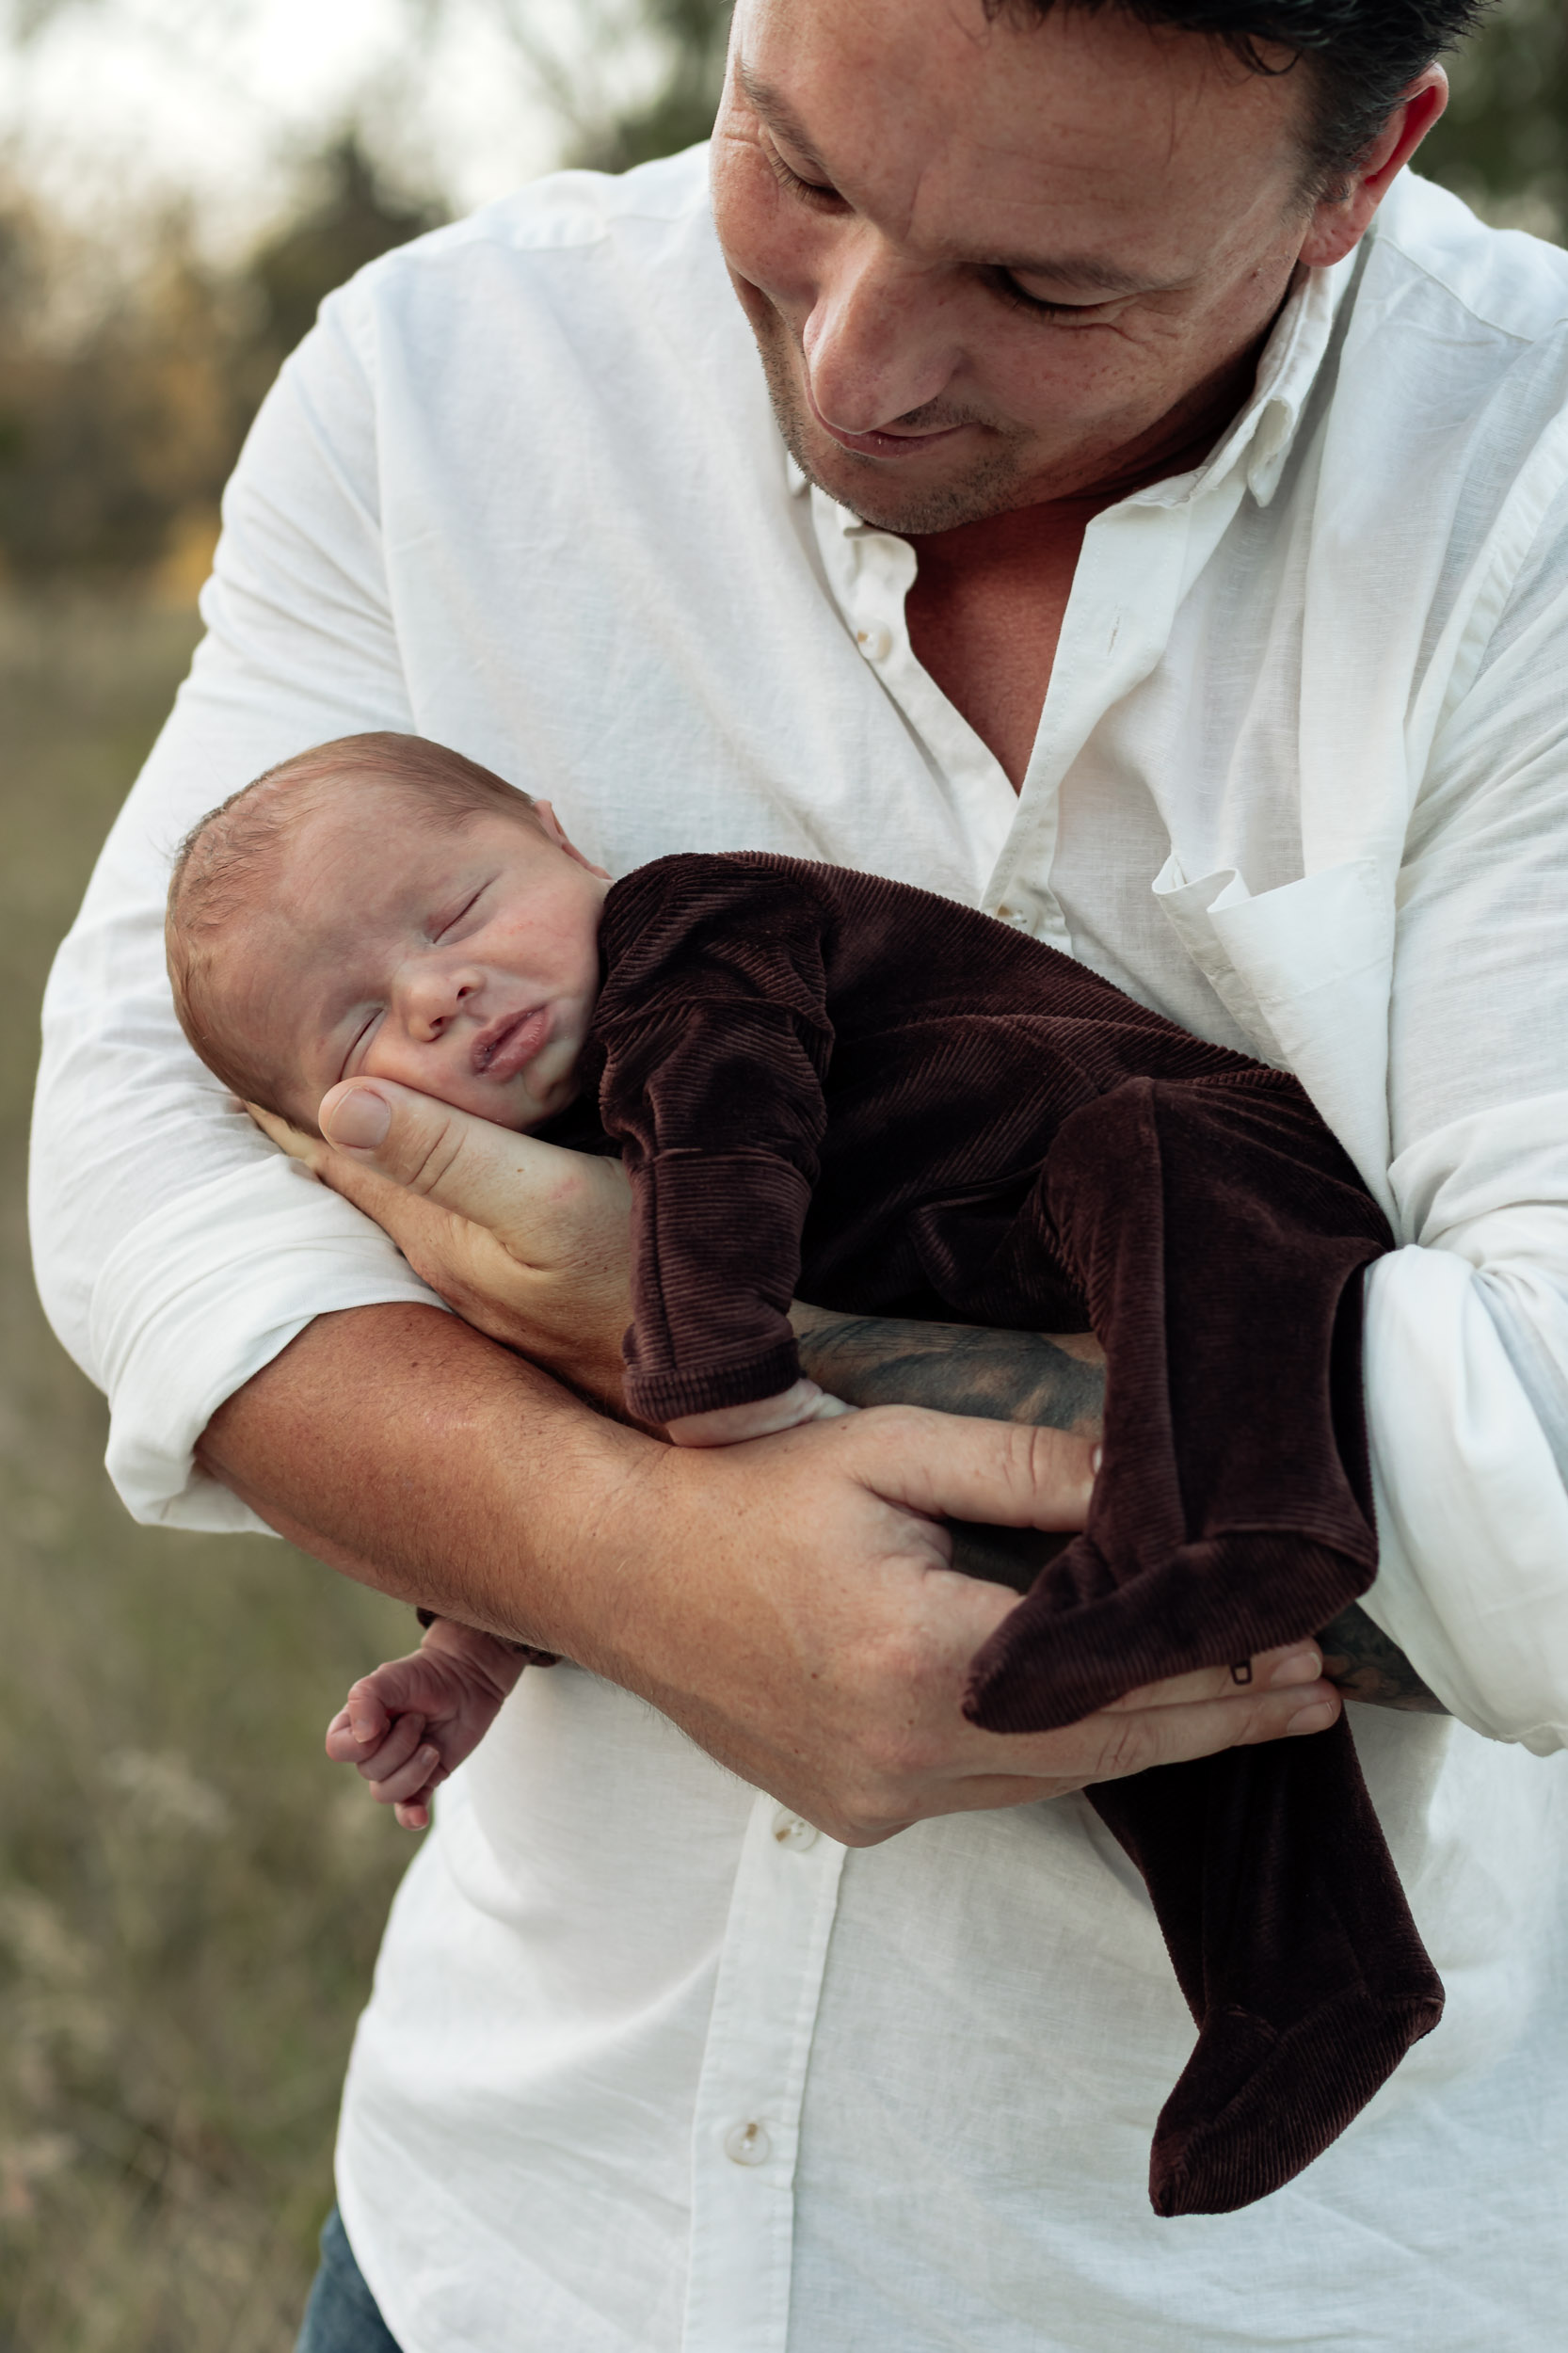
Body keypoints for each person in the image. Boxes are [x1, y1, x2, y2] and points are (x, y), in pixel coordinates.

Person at [28, 0, 1568, 2343]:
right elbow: (146, 1147)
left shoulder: (1521, 492)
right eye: (793, 162)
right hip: (508, 2229)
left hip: (1254, 2294)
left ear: (1355, 177)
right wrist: (619, 1557)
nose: (858, 366)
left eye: (1050, 290)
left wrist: (619, 1309)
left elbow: (1546, 1478)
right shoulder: (450, 375)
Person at [165, 728, 1440, 2213]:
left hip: (1185, 1172)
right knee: (1129, 1707)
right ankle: (1309, 1982)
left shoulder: (694, 931)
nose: (439, 992)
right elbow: (558, 1415)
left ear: (554, 827)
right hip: (1009, 1329)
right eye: (358, 1027)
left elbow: (726, 1131)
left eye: (452, 916)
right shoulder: (513, 1194)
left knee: (1151, 1173)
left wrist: (709, 1367)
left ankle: (1251, 1514)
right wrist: (472, 1652)